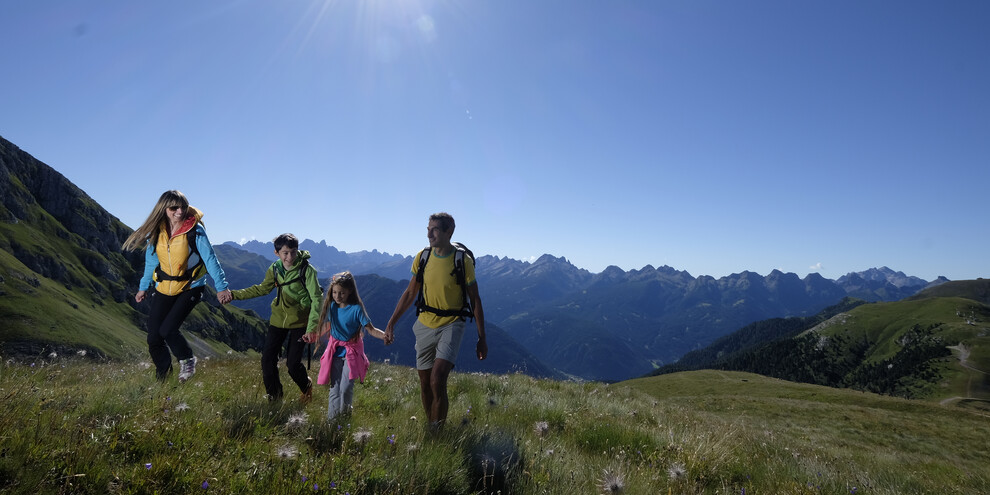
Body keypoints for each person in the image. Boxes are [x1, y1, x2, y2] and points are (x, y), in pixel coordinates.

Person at [385, 212, 487, 432]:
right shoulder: (423, 257)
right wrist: (392, 322)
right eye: (428, 229)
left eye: (435, 229)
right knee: (425, 383)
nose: (429, 233)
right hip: (424, 323)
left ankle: (435, 433)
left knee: (437, 379)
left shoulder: (462, 260)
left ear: (449, 232)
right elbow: (411, 292)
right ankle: (432, 424)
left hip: (452, 323)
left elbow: (475, 298)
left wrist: (482, 338)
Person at [122, 190, 233, 383]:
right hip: (164, 287)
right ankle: (163, 379)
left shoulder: (195, 230)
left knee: (168, 330)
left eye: (183, 206)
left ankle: (187, 360)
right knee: (154, 337)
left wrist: (222, 287)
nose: (180, 211)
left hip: (191, 286)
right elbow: (150, 263)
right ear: (163, 209)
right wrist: (143, 287)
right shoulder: (157, 232)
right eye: (174, 208)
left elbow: (210, 259)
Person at [225, 234, 323, 402]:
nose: (289, 257)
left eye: (293, 252)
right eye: (285, 253)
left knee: (292, 365)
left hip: (301, 322)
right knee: (267, 360)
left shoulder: (307, 270)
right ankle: (275, 399)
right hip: (278, 321)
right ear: (276, 253)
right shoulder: (275, 269)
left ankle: (306, 386)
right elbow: (261, 289)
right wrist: (233, 295)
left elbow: (316, 299)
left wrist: (312, 328)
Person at [304, 271, 387, 420]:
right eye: (335, 292)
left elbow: (371, 329)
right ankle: (332, 422)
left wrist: (384, 336)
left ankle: (344, 420)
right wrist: (314, 336)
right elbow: (327, 325)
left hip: (351, 353)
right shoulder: (332, 307)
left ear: (349, 291)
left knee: (346, 388)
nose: (337, 296)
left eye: (341, 293)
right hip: (335, 352)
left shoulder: (356, 309)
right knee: (335, 389)